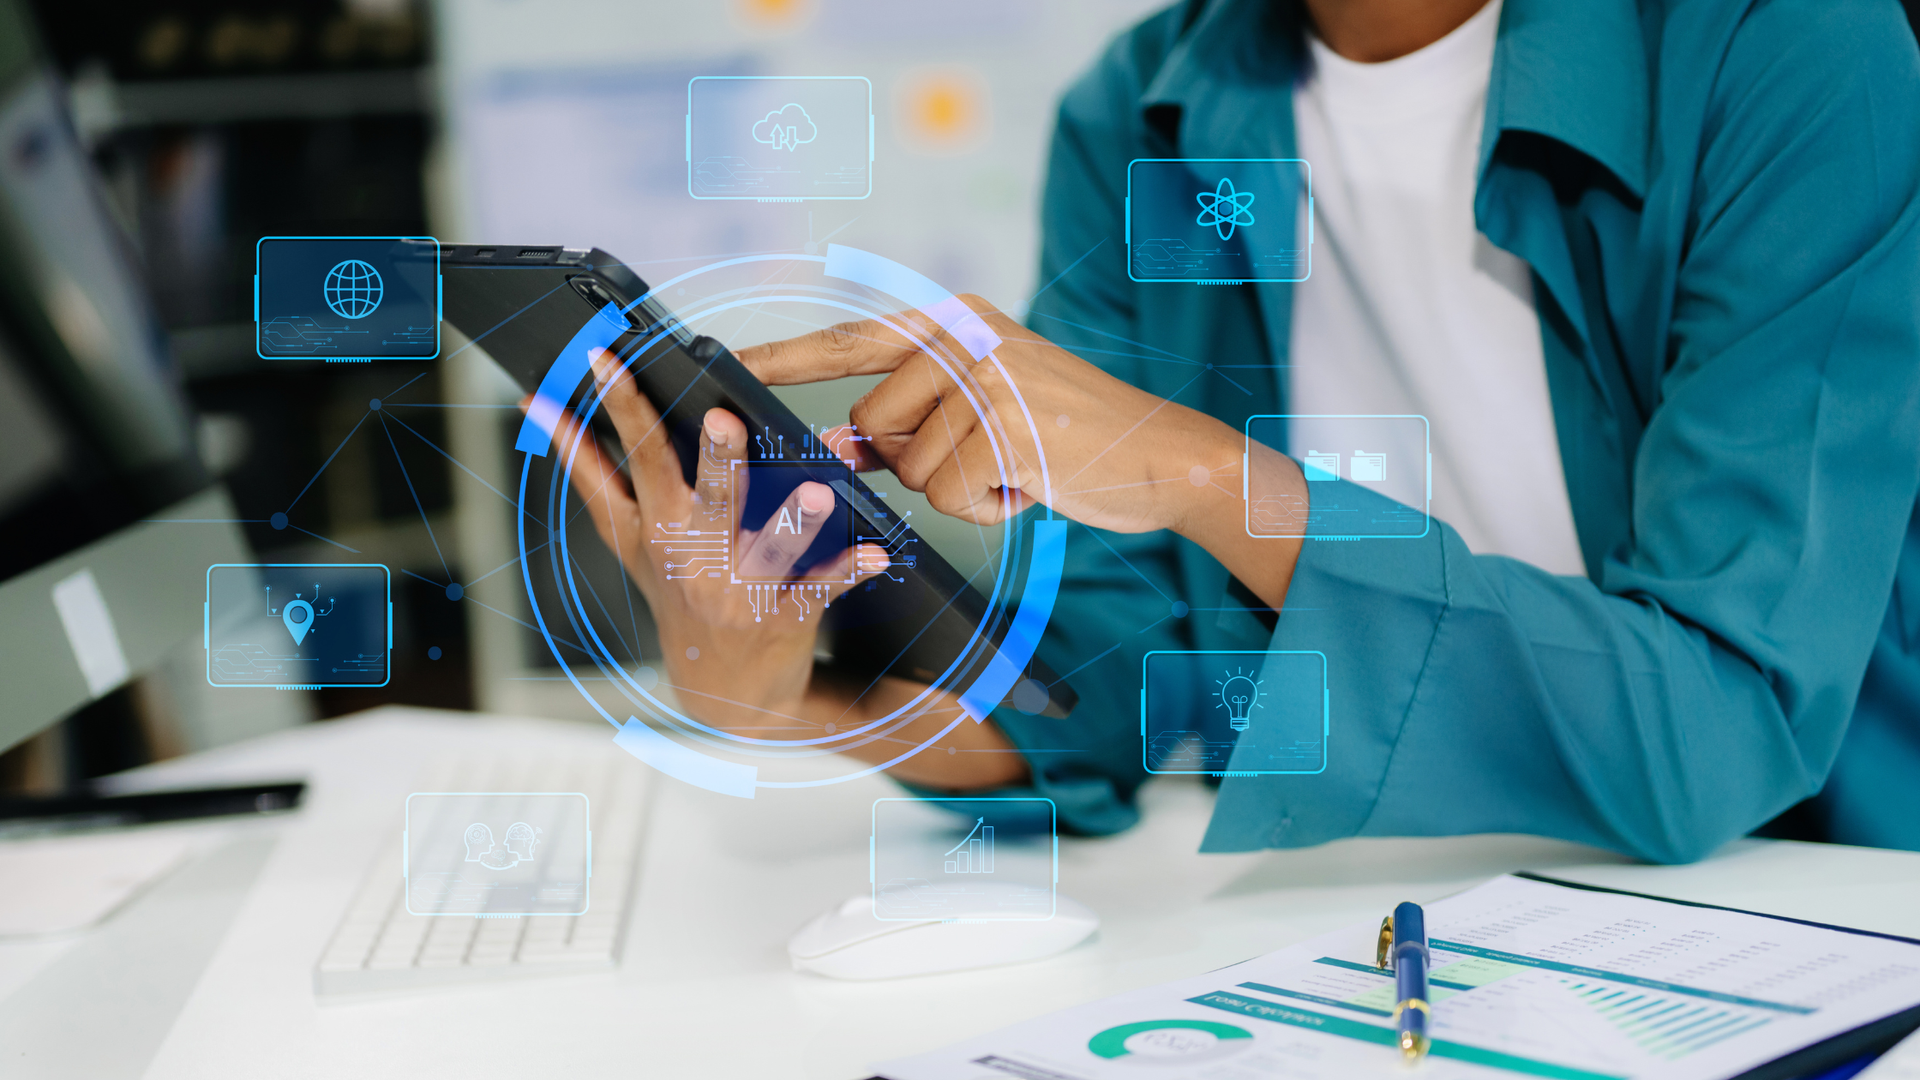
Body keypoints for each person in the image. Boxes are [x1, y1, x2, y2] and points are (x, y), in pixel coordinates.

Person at [559, 0, 1920, 862]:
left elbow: (1717, 725)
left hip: (1810, 905)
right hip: (1399, 922)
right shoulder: (1146, 100)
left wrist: (1206, 477)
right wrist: (782, 700)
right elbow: (1088, 704)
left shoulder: (1788, 47)